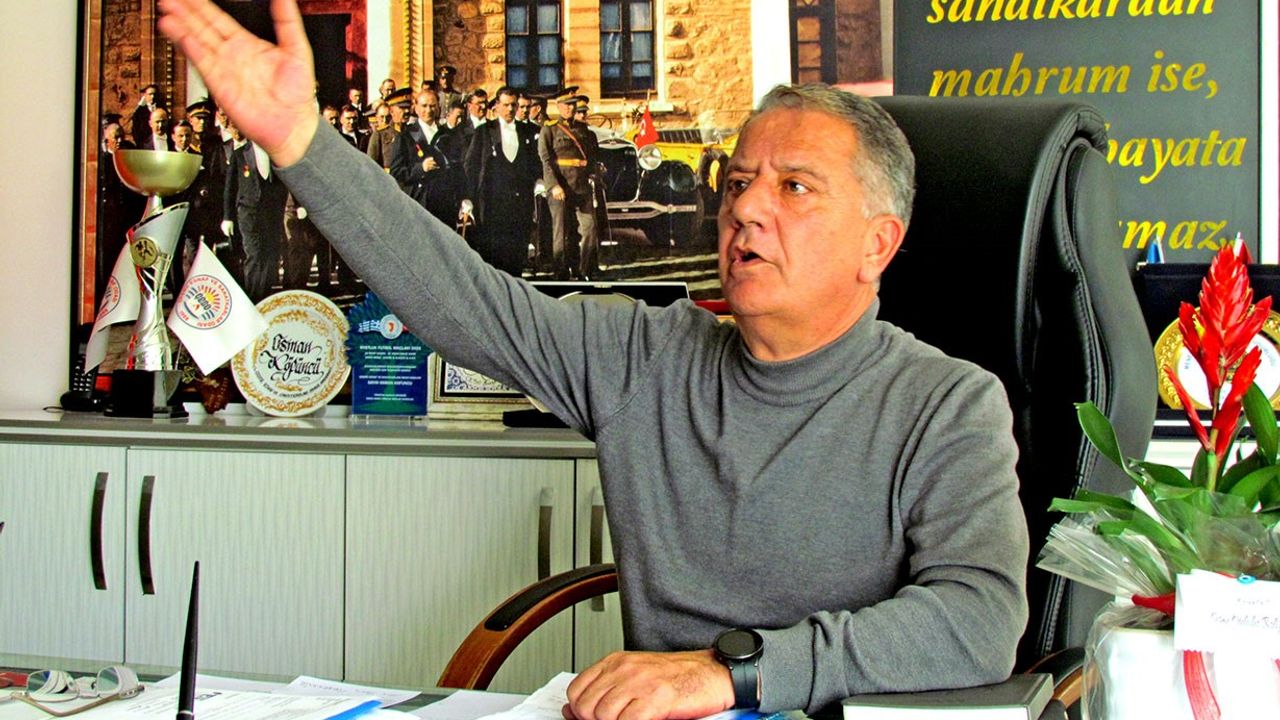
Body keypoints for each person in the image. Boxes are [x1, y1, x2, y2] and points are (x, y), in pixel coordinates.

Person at [157, 2, 1029, 718]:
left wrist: (731, 673)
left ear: (878, 243)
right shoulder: (643, 355)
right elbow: (462, 298)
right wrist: (303, 144)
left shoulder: (949, 404)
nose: (745, 209)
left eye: (794, 187)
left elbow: (979, 621)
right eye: (737, 183)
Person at [463, 86, 541, 276]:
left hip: (520, 202)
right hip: (492, 203)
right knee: (493, 253)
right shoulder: (484, 131)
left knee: (517, 251)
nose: (510, 109)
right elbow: (471, 166)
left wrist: (538, 180)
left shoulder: (526, 131)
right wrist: (468, 198)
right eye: (505, 105)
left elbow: (535, 162)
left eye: (513, 105)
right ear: (496, 106)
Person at [539, 92, 600, 279]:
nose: (570, 108)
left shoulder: (585, 131)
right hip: (561, 187)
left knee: (589, 228)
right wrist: (553, 185)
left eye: (573, 104)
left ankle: (585, 271)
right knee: (562, 232)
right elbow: (546, 160)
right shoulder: (549, 130)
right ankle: (561, 272)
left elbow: (591, 157)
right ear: (558, 106)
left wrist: (595, 172)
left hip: (581, 187)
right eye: (566, 104)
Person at [390, 88, 465, 228]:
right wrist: (421, 168)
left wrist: (463, 198)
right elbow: (396, 171)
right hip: (418, 202)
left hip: (444, 203)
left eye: (432, 106)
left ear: (438, 108)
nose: (428, 110)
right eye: (424, 106)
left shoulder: (449, 135)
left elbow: (458, 169)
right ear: (416, 107)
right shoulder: (405, 136)